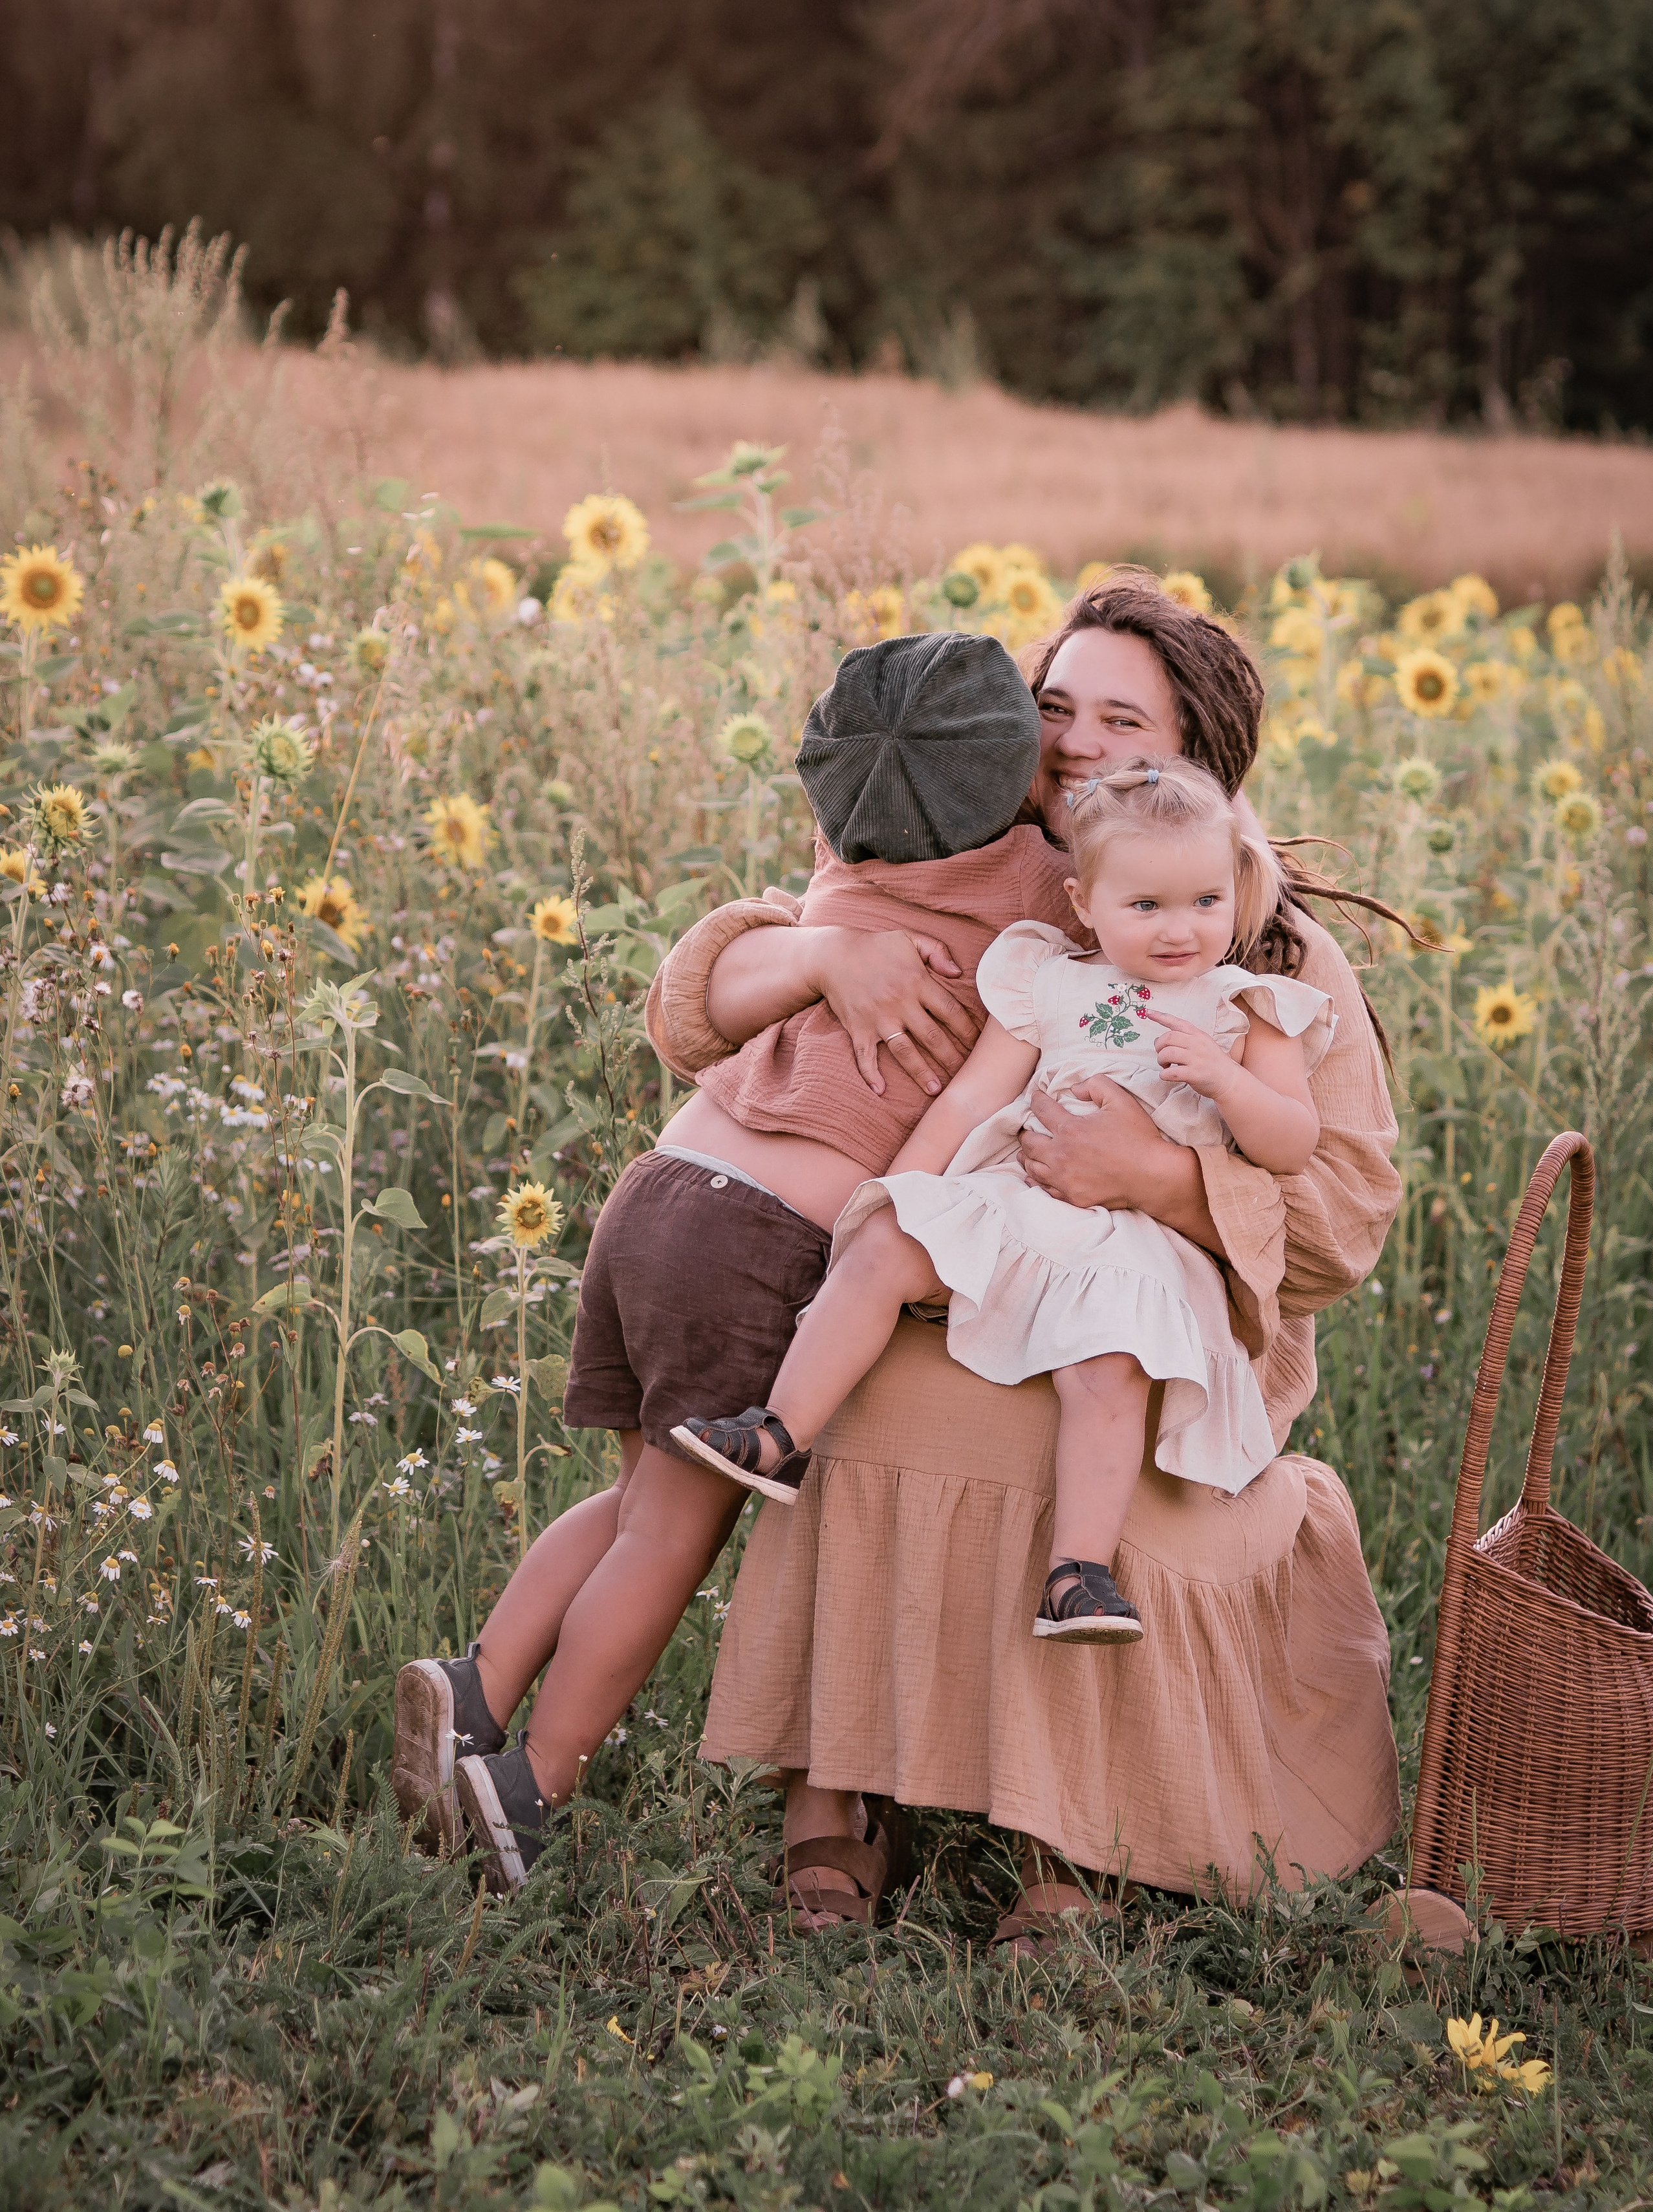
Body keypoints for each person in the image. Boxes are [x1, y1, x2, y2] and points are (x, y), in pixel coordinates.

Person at [648, 570, 1404, 1942]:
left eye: (1121, 719)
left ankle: (1089, 1841)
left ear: (1197, 762)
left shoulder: (1262, 950)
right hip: (963, 1291)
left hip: (1157, 1323)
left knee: (1110, 1448)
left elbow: (1343, 1218)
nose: (1072, 743)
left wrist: (1165, 1178)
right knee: (873, 1405)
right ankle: (835, 1794)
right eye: (1052, 705)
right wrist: (818, 951)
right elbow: (695, 1003)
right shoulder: (961, 858)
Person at [390, 628, 1090, 1891]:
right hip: (759, 1235)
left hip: (658, 1190)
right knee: (671, 1534)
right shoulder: (1047, 885)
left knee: (632, 1505)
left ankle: (476, 1684)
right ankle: (527, 1785)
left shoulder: (847, 852)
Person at [676, 757, 1334, 1649]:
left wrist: (1229, 1081)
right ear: (1085, 901)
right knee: (884, 1247)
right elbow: (968, 1101)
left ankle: (1079, 1573)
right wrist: (895, 1195)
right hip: (1020, 1198)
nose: (1181, 930)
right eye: (1146, 907)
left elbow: (1291, 1141)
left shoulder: (1246, 1008)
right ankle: (779, 1432)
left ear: (1236, 893)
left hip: (1134, 1239)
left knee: (1109, 1371)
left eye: (1206, 903)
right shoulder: (1048, 978)